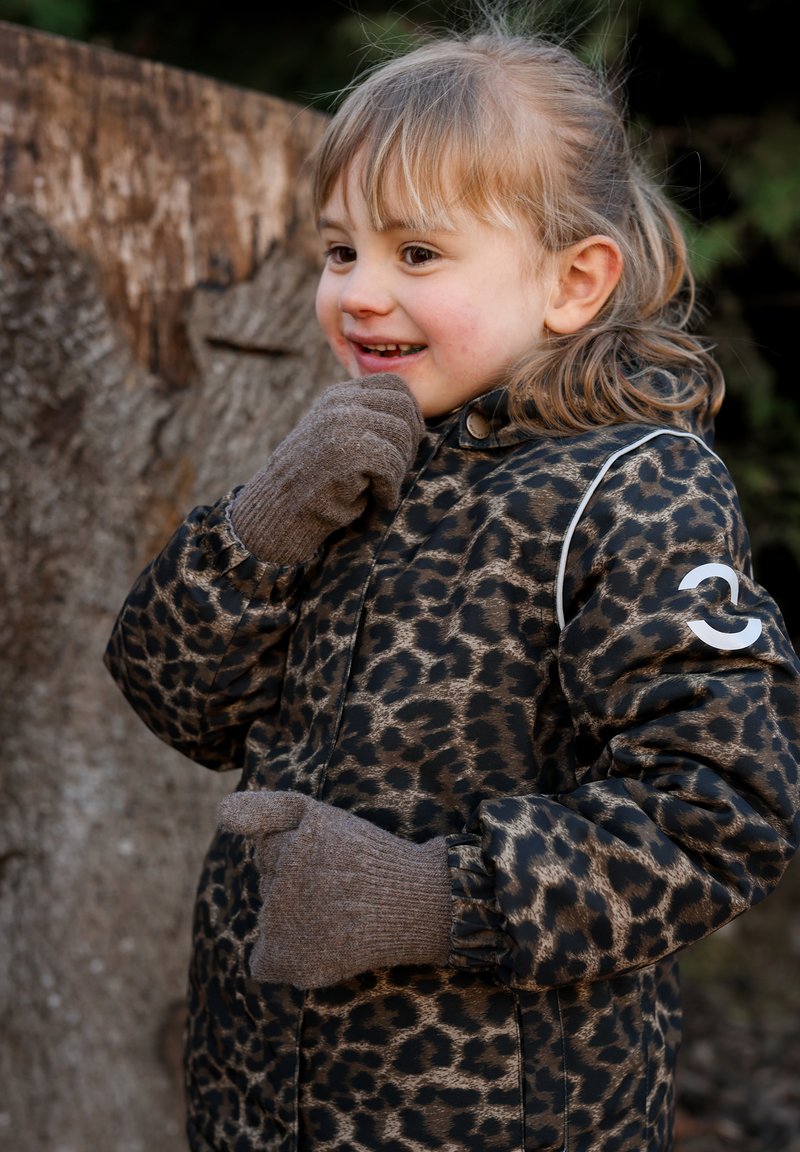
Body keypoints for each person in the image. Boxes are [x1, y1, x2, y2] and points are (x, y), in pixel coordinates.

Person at [104, 11, 800, 1152]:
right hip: (260, 1094)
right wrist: (266, 522)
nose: (358, 292)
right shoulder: (347, 462)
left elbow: (721, 816)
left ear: (572, 283)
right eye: (340, 252)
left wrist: (432, 896)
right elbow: (172, 696)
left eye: (416, 254)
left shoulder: (633, 491)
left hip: (495, 1114)